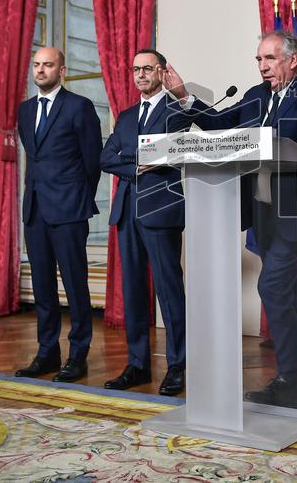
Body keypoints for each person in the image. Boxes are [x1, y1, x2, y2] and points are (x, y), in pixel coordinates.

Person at [164, 30, 297, 407]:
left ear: (292, 60)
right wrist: (184, 96)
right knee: (285, 292)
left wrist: (262, 141)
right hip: (261, 210)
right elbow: (219, 126)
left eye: (269, 59)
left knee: (274, 289)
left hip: (295, 209)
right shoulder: (256, 96)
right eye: (258, 60)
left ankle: (292, 380)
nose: (262, 67)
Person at [99, 48, 190, 395]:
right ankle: (137, 365)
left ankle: (177, 366)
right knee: (134, 292)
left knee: (169, 292)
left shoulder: (175, 111)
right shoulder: (124, 117)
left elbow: (178, 148)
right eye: (135, 69)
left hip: (162, 210)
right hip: (127, 212)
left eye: (147, 69)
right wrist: (138, 163)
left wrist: (133, 155)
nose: (140, 75)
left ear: (162, 72)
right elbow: (106, 157)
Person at [15, 46, 102, 383]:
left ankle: (78, 356)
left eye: (48, 65)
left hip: (69, 209)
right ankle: (47, 351)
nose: (40, 70)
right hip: (35, 208)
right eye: (36, 64)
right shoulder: (24, 110)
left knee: (75, 284)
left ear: (61, 70)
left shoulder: (79, 106)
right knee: (42, 285)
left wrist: (78, 200)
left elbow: (92, 161)